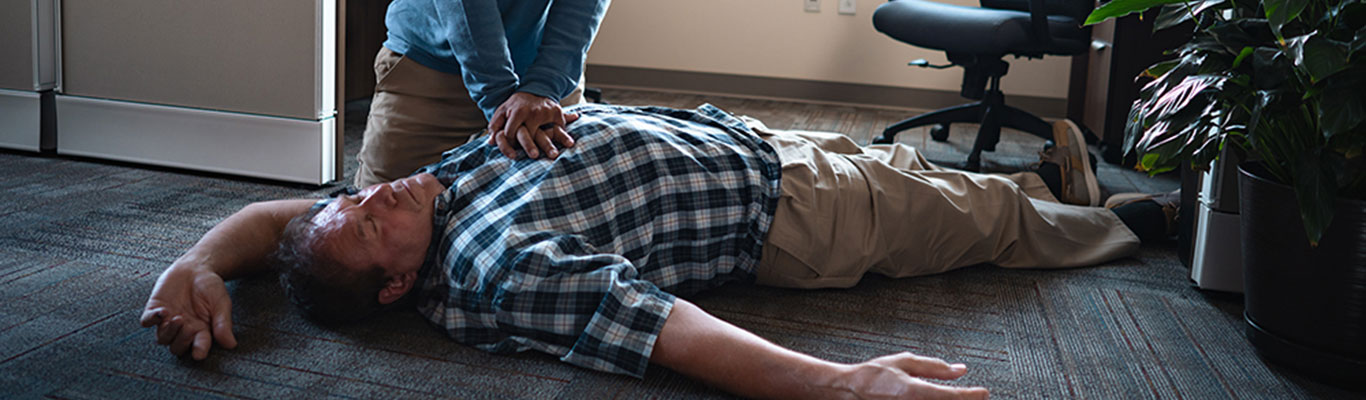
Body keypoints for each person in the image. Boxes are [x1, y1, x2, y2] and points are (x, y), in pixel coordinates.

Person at [142, 104, 1172, 399]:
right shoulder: (502, 265)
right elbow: (668, 332)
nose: (374, 193)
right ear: (401, 281)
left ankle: (1046, 184)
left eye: (356, 194)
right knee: (984, 227)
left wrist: (191, 260)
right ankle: (1128, 221)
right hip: (801, 214)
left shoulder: (437, 194)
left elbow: (286, 219)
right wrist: (841, 386)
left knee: (937, 181)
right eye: (368, 220)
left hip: (754, 139)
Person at [355, 0, 611, 188]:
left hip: (544, 77)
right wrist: (505, 106)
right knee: (371, 225)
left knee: (574, 200)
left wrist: (543, 87)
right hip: (434, 68)